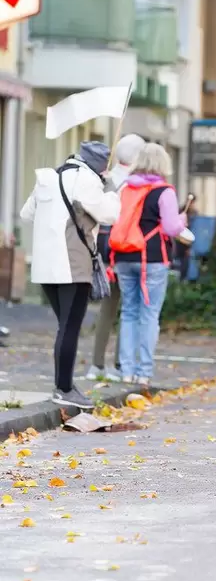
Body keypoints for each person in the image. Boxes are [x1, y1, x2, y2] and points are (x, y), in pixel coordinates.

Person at [20, 142, 120, 409]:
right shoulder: (88, 180)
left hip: (43, 265)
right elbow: (111, 214)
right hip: (72, 264)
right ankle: (64, 388)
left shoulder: (48, 177)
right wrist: (109, 187)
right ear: (100, 166)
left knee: (64, 327)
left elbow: (26, 213)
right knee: (69, 327)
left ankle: (65, 385)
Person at [111, 143, 187, 386]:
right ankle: (144, 371)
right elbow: (171, 228)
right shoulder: (164, 191)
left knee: (129, 312)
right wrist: (182, 219)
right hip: (152, 259)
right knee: (149, 314)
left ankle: (126, 370)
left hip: (123, 256)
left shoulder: (125, 188)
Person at [86, 133, 145, 384]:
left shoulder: (103, 180)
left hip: (103, 250)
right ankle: (122, 364)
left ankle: (96, 363)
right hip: (129, 250)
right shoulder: (137, 184)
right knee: (130, 309)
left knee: (107, 310)